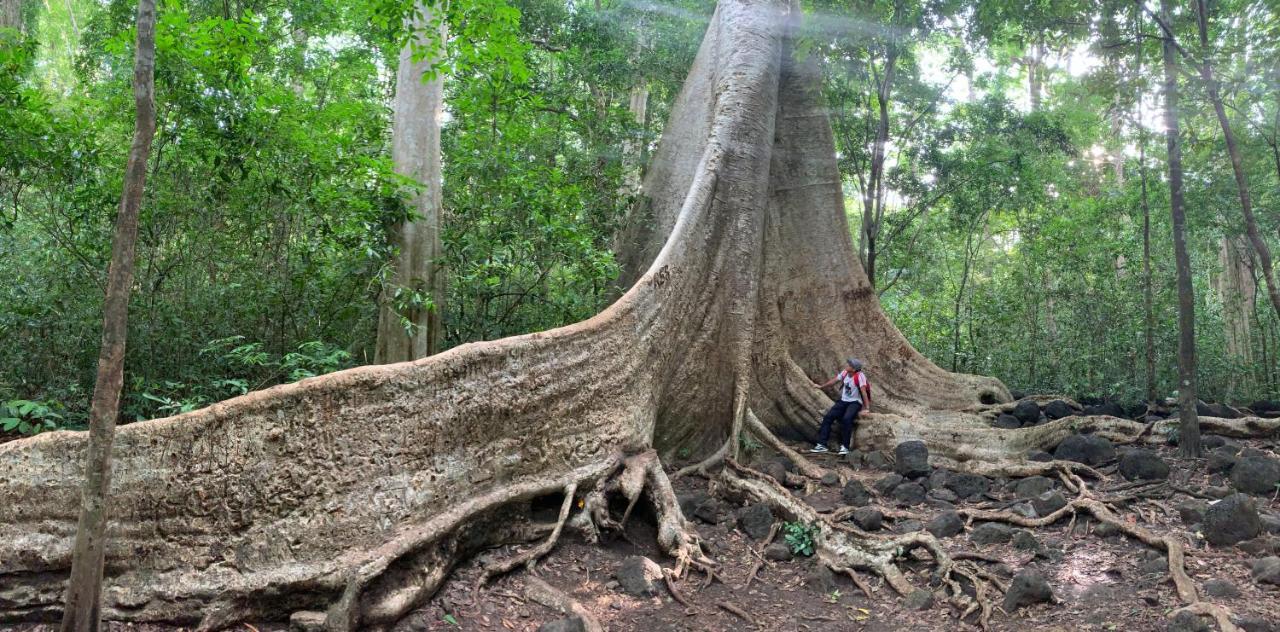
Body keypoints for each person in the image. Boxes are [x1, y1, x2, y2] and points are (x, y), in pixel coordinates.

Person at [809, 358, 871, 455]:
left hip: (855, 402)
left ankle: (845, 446)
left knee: (847, 419)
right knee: (828, 417)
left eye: (849, 365)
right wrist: (821, 387)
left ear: (854, 369)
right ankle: (822, 445)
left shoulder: (860, 376)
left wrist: (866, 408)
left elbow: (863, 392)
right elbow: (834, 381)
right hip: (843, 401)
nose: (847, 365)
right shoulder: (845, 373)